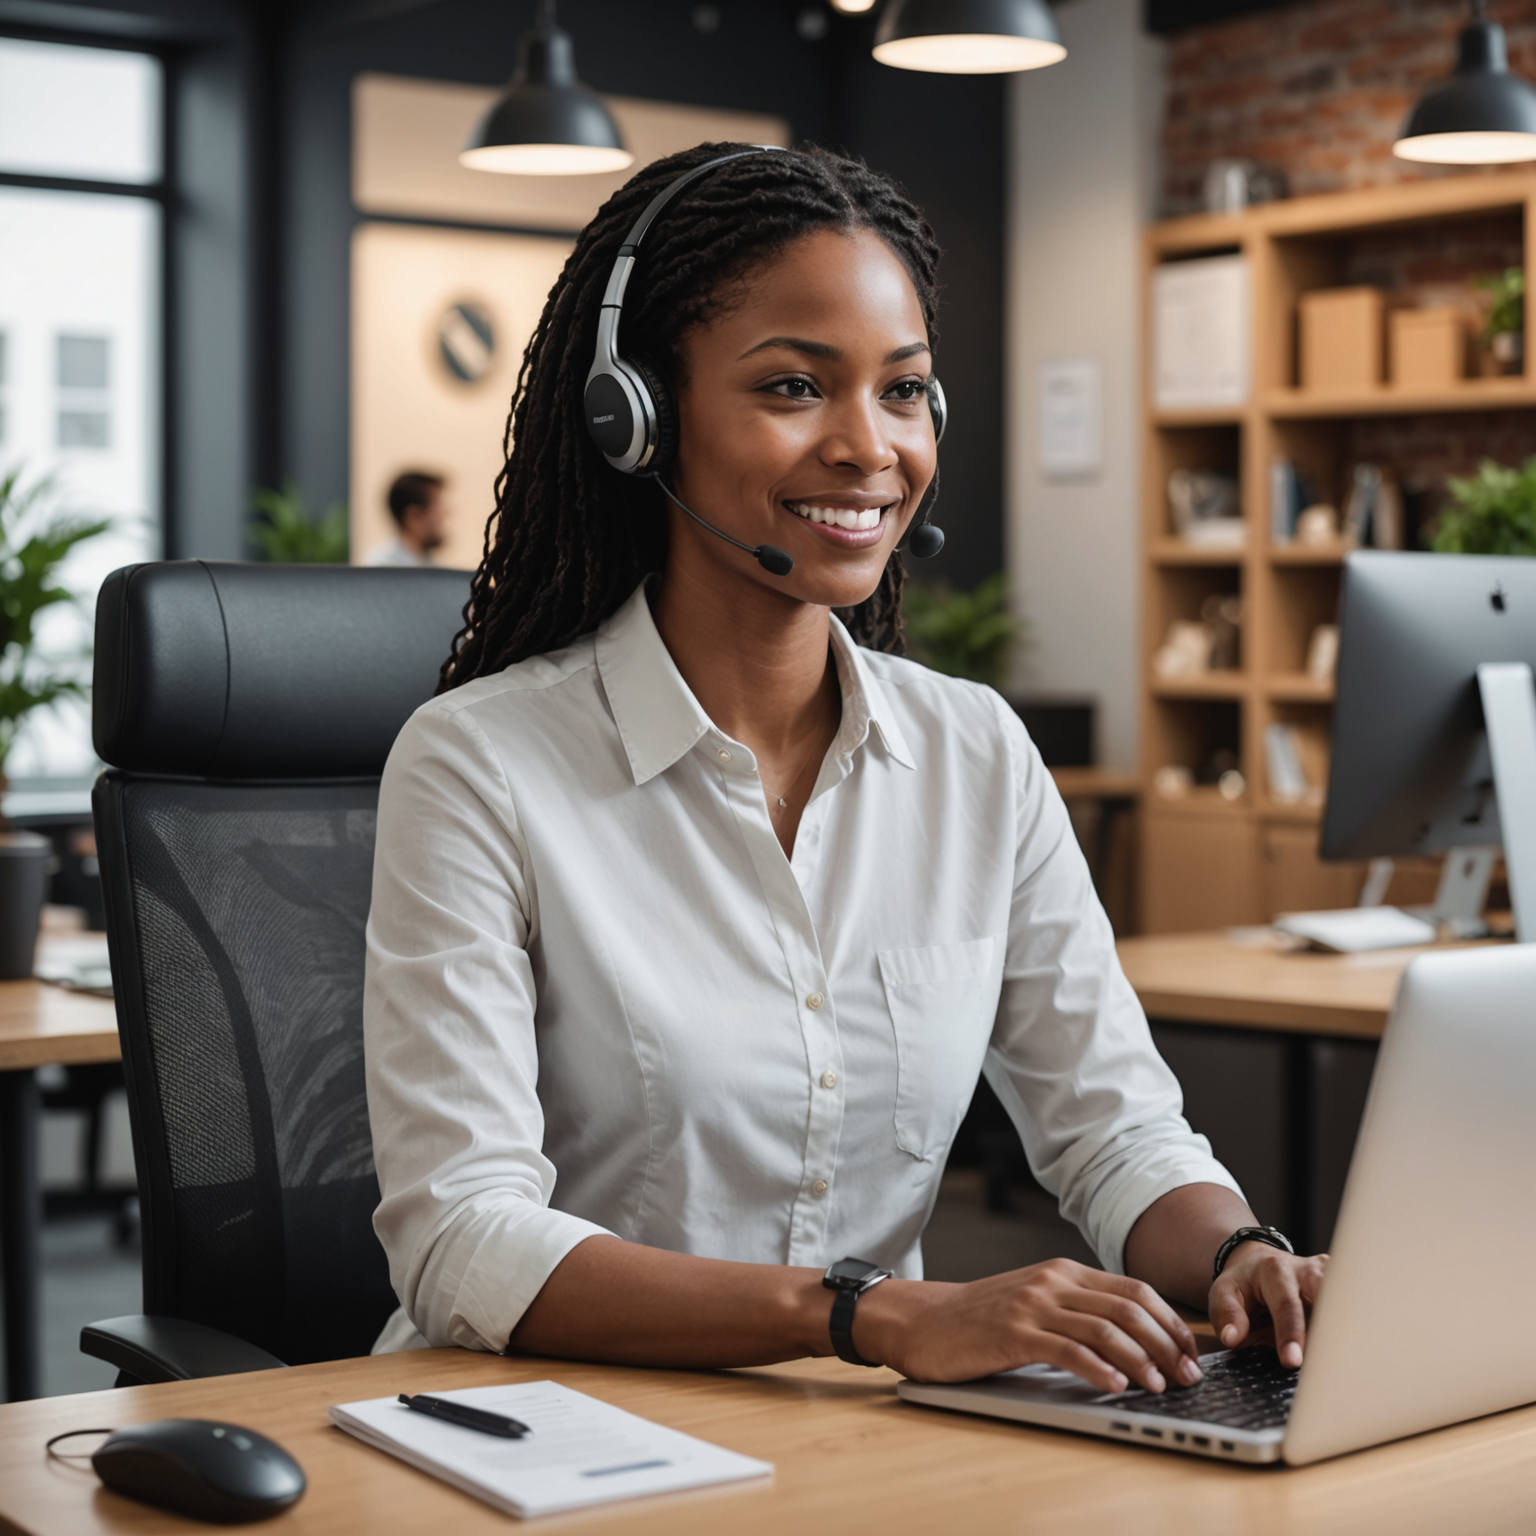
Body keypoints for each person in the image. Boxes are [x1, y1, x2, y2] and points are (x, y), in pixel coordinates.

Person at [364, 144, 1325, 1393]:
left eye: (905, 390)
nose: (868, 447)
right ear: (635, 417)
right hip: (544, 1435)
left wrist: (1242, 1252)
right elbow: (463, 1238)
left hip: (857, 1444)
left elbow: (1114, 1128)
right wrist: (868, 1314)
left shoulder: (975, 753)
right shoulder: (481, 765)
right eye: (792, 387)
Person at [368, 470, 449, 566]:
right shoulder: (382, 569)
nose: (446, 514)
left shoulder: (426, 563)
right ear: (414, 517)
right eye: (438, 505)